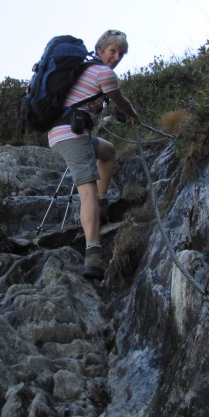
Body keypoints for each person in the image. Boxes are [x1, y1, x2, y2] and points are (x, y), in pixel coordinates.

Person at [49, 29, 140, 280]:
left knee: (108, 151)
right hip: (71, 135)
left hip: (65, 133)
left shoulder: (84, 69)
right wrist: (134, 116)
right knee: (86, 189)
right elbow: (121, 102)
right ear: (100, 49)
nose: (116, 57)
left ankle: (102, 203)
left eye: (121, 53)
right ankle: (93, 254)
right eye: (113, 51)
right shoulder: (103, 73)